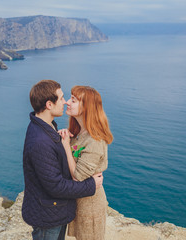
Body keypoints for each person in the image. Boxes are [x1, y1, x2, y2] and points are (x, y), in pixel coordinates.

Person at [22, 80, 104, 240]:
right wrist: (91, 185)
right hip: (48, 216)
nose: (65, 102)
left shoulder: (46, 127)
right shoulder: (40, 141)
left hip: (52, 211)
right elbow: (56, 187)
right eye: (61, 98)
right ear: (49, 105)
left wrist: (63, 141)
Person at [59, 86, 113, 240]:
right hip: (79, 201)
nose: (67, 102)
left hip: (90, 204)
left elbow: (78, 176)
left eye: (73, 100)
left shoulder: (94, 140)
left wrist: (65, 146)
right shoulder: (78, 133)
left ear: (86, 107)